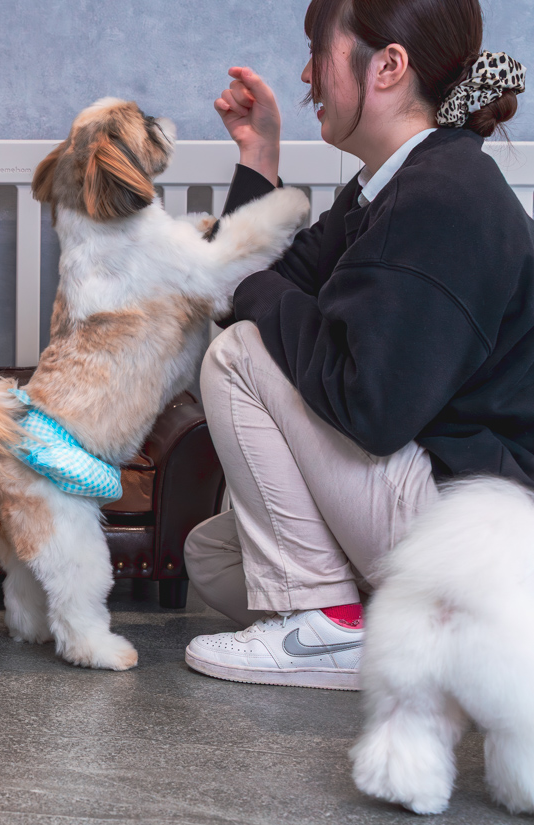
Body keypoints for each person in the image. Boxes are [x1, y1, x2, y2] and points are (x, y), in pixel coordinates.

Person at [182, 0, 532, 690]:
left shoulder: (442, 198)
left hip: (480, 529)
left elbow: (371, 408)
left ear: (388, 67)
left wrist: (258, 294)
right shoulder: (387, 188)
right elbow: (254, 281)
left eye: (320, 50)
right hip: (437, 507)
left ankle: (333, 627)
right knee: (215, 559)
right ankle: (402, 636)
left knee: (239, 355)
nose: (308, 75)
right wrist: (260, 157)